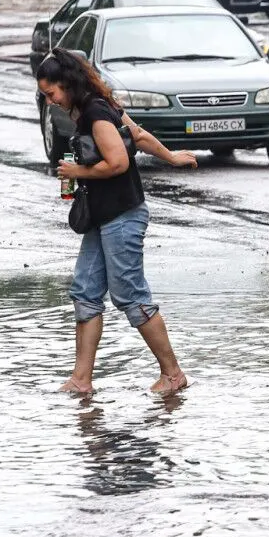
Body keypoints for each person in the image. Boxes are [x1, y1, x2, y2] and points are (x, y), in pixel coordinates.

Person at [36, 47, 197, 396]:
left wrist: (77, 171)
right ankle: (81, 380)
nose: (50, 101)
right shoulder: (99, 105)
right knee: (85, 291)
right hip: (103, 216)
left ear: (68, 83)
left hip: (122, 216)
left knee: (130, 294)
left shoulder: (95, 113)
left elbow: (119, 162)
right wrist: (171, 157)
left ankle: (173, 374)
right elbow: (137, 135)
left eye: (52, 93)